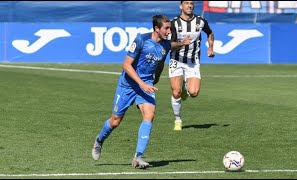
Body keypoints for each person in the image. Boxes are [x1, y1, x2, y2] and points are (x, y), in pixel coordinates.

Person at [91, 15, 171, 169]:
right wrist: (141, 84)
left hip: (146, 84)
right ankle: (99, 140)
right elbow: (126, 65)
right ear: (156, 28)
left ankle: (138, 157)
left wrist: (156, 78)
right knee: (115, 121)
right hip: (128, 85)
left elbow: (161, 62)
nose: (169, 31)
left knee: (149, 115)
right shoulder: (141, 40)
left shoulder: (165, 45)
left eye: (170, 28)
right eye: (166, 28)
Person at [169, 1, 215, 131]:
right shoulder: (173, 23)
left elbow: (210, 33)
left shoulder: (201, 21)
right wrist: (182, 43)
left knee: (194, 93)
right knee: (176, 92)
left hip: (193, 62)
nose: (189, 5)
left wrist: (210, 48)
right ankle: (178, 120)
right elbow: (169, 44)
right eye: (186, 3)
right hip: (176, 60)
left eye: (191, 3)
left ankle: (186, 88)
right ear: (181, 6)